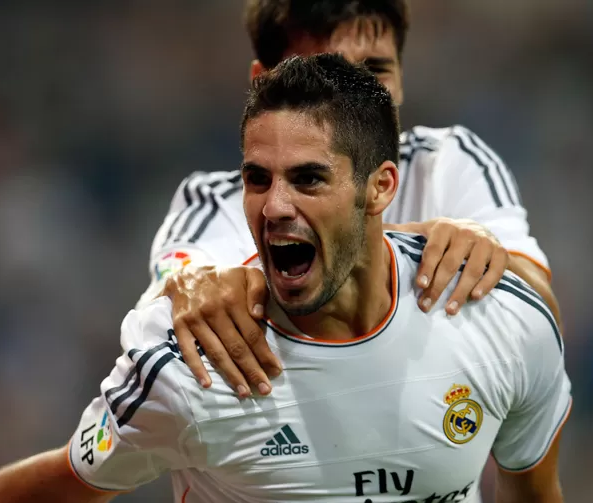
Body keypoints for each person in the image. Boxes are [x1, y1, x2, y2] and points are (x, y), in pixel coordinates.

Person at [0, 54, 569, 503]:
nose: (274, 205)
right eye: (256, 178)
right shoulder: (194, 365)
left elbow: (531, 498)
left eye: (308, 179)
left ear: (381, 187)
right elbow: (71, 482)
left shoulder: (494, 317)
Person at [142, 0, 561, 398]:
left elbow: (540, 305)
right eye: (330, 73)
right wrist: (186, 285)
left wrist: (493, 261)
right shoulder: (216, 205)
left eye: (376, 70)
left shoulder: (448, 164)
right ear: (263, 82)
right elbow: (176, 290)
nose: (361, 95)